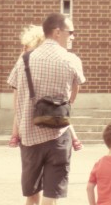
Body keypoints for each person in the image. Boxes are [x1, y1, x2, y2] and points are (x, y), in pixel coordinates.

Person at [7, 12, 85, 205]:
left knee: (32, 199)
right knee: (51, 203)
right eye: (70, 32)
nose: (73, 36)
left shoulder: (26, 58)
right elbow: (72, 97)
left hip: (29, 137)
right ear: (57, 32)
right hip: (57, 135)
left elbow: (16, 98)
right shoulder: (71, 60)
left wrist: (17, 128)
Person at [9, 24, 82, 152]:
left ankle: (14, 136)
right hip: (52, 121)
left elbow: (17, 101)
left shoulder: (25, 59)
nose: (24, 49)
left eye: (26, 46)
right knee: (61, 115)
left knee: (19, 108)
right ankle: (75, 138)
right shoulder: (31, 58)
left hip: (31, 131)